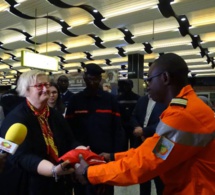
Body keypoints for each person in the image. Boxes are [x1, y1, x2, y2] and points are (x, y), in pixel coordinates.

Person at [75, 53, 215, 195]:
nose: (147, 87)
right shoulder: (185, 108)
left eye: (149, 80)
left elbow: (146, 163)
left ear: (165, 78)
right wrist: (113, 157)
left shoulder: (183, 114)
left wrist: (90, 173)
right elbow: (152, 151)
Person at [0, 70, 85, 195]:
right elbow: (19, 156)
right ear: (26, 90)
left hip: (57, 182)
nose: (46, 89)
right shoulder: (15, 118)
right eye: (39, 86)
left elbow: (69, 140)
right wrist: (52, 170)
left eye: (47, 84)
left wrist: (83, 152)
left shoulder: (54, 114)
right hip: (27, 184)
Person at [65, 63, 126, 195]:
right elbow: (68, 131)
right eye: (90, 78)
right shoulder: (75, 101)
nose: (93, 82)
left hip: (104, 158)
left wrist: (115, 157)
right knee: (82, 190)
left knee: (105, 191)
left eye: (96, 79)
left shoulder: (110, 100)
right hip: (81, 159)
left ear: (100, 79)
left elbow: (118, 130)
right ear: (84, 78)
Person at [130, 94, 166, 195]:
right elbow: (133, 116)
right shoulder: (142, 100)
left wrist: (144, 131)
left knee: (159, 179)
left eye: (151, 81)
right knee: (143, 177)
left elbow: (164, 123)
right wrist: (137, 128)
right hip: (141, 143)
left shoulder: (165, 100)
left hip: (159, 143)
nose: (149, 85)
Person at [117, 79, 140, 149]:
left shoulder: (137, 98)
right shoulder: (118, 98)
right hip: (123, 125)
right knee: (123, 145)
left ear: (131, 86)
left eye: (128, 85)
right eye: (125, 85)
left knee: (133, 145)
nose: (126, 87)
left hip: (132, 125)